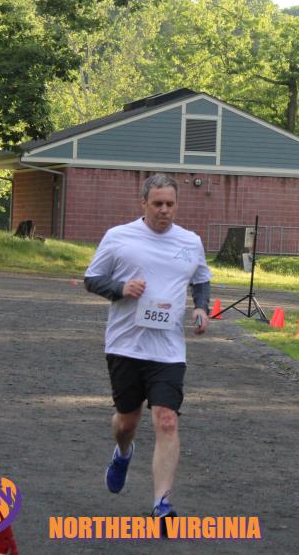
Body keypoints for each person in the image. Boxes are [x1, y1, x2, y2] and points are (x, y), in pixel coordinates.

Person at [84, 173, 212, 521]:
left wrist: (201, 307)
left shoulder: (190, 241)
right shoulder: (119, 237)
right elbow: (91, 279)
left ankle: (162, 503)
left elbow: (201, 279)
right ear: (144, 203)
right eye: (157, 204)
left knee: (166, 420)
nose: (164, 210)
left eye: (170, 204)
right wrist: (121, 288)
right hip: (125, 345)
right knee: (127, 422)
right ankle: (123, 453)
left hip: (168, 350)